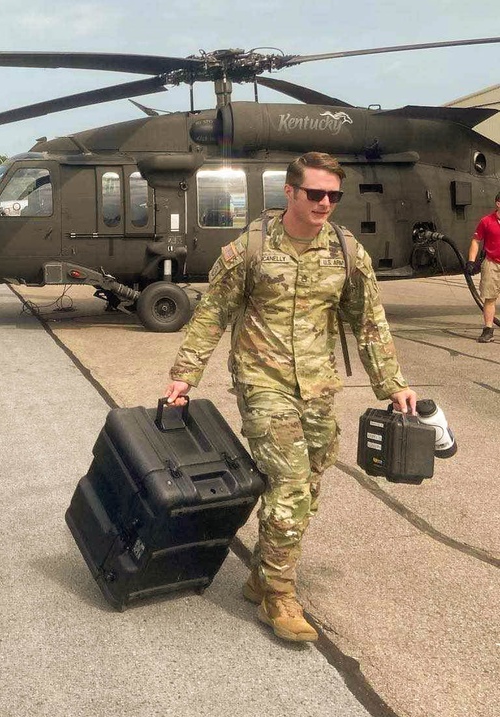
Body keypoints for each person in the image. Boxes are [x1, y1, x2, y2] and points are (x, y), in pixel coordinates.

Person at [163, 151, 417, 645]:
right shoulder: (251, 250)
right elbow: (212, 313)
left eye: (333, 195)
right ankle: (279, 595)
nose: (326, 203)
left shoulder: (346, 252)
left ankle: (261, 573)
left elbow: (368, 321)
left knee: (309, 485)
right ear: (291, 192)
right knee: (291, 481)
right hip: (264, 383)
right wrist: (185, 375)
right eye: (316, 193)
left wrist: (393, 384)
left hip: (319, 385)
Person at [466, 191, 500, 343]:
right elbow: (476, 240)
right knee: (490, 297)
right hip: (491, 263)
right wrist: (471, 261)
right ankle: (488, 329)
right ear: (498, 203)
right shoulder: (486, 221)